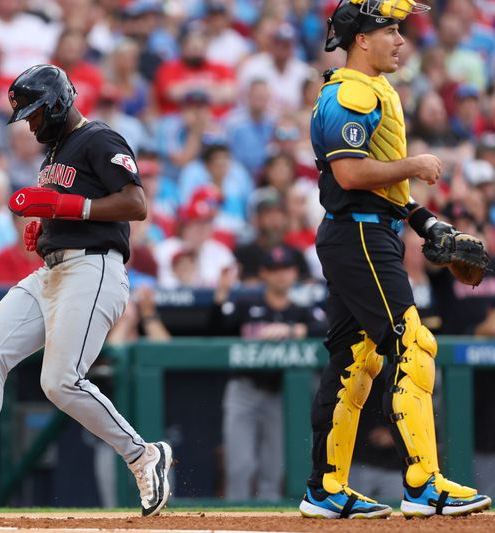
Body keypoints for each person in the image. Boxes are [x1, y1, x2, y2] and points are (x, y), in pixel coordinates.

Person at [0, 64, 173, 517]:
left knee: (60, 381)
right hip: (52, 271)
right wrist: (47, 232)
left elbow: (136, 204)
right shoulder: (55, 152)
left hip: (94, 269)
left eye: (33, 114)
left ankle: (144, 455)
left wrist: (71, 208)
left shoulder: (98, 138)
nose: (30, 125)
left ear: (57, 103)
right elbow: (62, 208)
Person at [300, 0, 491, 519]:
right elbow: (350, 175)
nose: (401, 39)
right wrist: (417, 163)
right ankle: (423, 484)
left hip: (363, 231)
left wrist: (425, 222)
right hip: (359, 235)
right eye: (390, 29)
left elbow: (384, 184)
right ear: (361, 37)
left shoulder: (372, 89)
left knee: (354, 361)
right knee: (413, 342)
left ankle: (325, 489)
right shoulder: (352, 91)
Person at [210, 247, 326, 502]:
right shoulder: (245, 304)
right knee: (240, 466)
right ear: (264, 274)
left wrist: (294, 330)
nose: (280, 276)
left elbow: (327, 329)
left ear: (294, 273)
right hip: (245, 389)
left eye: (285, 269)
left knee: (272, 471)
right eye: (274, 270)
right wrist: (221, 294)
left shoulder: (302, 311)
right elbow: (214, 330)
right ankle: (233, 525)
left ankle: (267, 524)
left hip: (280, 395)